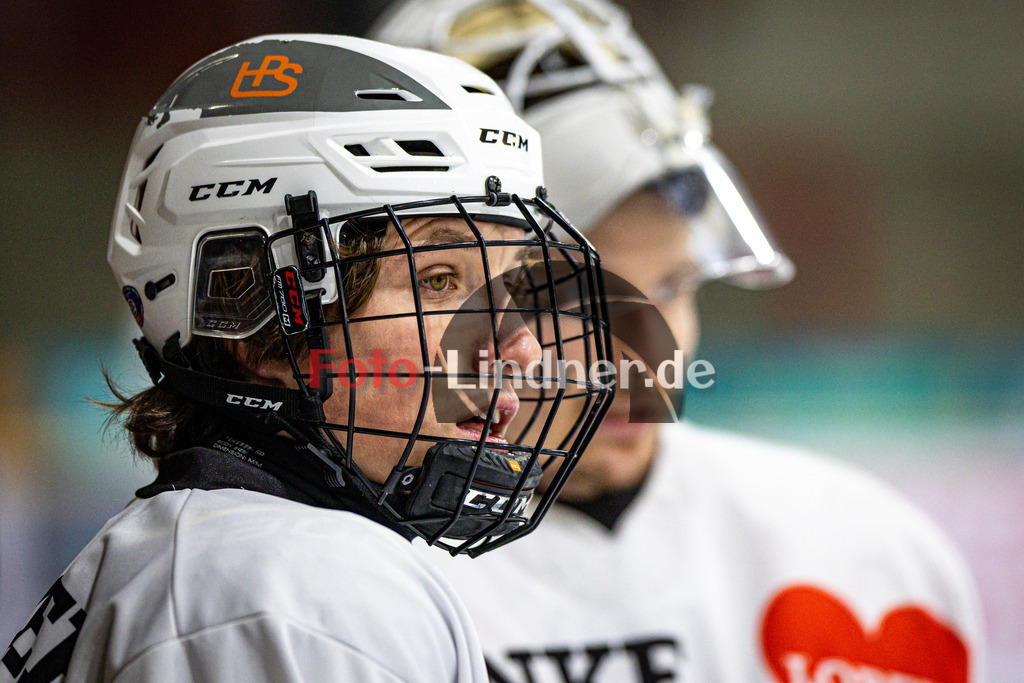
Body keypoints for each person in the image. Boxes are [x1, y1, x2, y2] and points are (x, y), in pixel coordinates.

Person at [372, 2, 987, 681]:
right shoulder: (344, 589)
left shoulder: (864, 551)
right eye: (576, 300)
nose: (643, 358)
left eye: (669, 286)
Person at [0, 33, 615, 681]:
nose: (522, 345)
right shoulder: (295, 592)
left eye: (510, 285)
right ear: (256, 320)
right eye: (440, 279)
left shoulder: (217, 556)